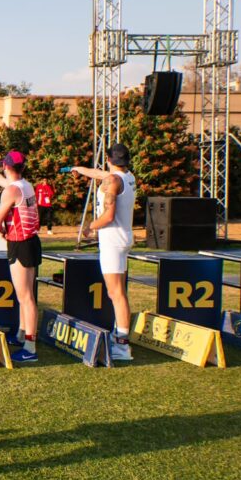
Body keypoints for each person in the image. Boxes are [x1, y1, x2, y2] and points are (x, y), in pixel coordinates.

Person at [72, 143, 136, 361]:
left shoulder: (113, 181)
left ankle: (123, 345)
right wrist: (80, 170)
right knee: (118, 293)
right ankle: (121, 337)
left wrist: (91, 227)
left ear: (108, 159)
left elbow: (108, 217)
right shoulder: (126, 176)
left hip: (113, 241)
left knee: (116, 294)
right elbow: (101, 174)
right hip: (123, 238)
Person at [0, 150, 41, 363]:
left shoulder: (11, 191)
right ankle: (22, 335)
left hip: (20, 244)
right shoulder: (25, 185)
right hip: (30, 243)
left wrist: (1, 232)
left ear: (6, 166)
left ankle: (30, 347)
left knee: (26, 297)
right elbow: (1, 180)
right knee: (24, 296)